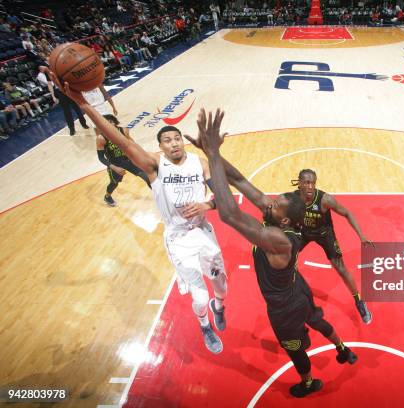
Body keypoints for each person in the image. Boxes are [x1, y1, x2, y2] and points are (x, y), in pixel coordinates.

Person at [185, 107, 357, 398]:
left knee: (295, 349)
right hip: (297, 288)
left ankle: (308, 382)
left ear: (285, 219)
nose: (268, 204)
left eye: (274, 205)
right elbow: (238, 180)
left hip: (284, 307)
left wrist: (212, 158)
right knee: (314, 318)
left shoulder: (279, 239)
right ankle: (342, 348)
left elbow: (229, 214)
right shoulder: (279, 217)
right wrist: (212, 152)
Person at [54, 75, 228, 354]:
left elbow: (224, 199)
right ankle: (205, 325)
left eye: (176, 139)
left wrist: (207, 206)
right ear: (159, 147)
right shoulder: (154, 166)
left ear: (183, 142)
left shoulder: (201, 163)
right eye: (166, 141)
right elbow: (123, 144)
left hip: (204, 230)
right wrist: (85, 106)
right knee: (199, 293)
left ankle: (219, 307)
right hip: (178, 238)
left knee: (221, 286)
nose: (173, 143)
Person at [292, 169, 373, 324]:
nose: (310, 186)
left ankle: (359, 302)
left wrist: (361, 236)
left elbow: (347, 213)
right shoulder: (292, 198)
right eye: (307, 183)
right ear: (300, 183)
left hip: (324, 233)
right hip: (303, 232)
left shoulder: (325, 200)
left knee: (341, 268)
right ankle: (293, 299)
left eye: (313, 183)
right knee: (287, 258)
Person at [96, 114, 150, 206]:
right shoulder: (101, 138)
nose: (109, 124)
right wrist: (115, 168)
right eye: (106, 123)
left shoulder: (124, 130)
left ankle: (161, 196)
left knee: (147, 177)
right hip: (114, 163)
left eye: (111, 121)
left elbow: (133, 144)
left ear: (115, 122)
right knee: (114, 183)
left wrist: (142, 154)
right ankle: (107, 196)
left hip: (128, 160)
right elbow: (101, 158)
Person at [37, 66, 88, 136]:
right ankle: (72, 129)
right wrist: (53, 95)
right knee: (67, 112)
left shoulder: (57, 69)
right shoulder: (47, 74)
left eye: (41, 68)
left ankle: (84, 124)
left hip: (67, 90)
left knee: (76, 108)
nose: (41, 70)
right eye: (40, 69)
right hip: (60, 93)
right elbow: (50, 84)